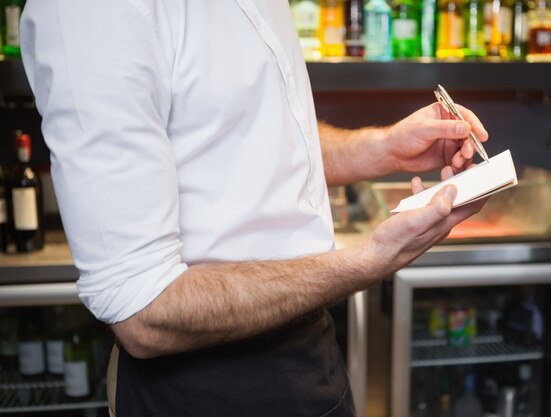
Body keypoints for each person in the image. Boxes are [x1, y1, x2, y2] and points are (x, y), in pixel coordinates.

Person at [20, 1, 489, 416]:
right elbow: (143, 309)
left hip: (311, 356)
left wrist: (385, 148)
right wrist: (369, 261)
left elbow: (259, 138)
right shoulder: (89, 11)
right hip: (197, 388)